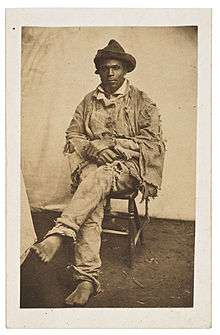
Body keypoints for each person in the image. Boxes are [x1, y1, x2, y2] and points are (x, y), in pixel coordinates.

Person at [31, 39, 166, 306]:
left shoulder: (142, 101)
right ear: (99, 71)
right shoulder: (88, 101)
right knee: (94, 189)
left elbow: (152, 142)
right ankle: (86, 280)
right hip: (94, 169)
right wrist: (93, 149)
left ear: (125, 69)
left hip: (127, 170)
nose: (110, 73)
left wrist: (112, 145)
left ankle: (61, 232)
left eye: (116, 68)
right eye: (105, 68)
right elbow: (73, 134)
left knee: (99, 177)